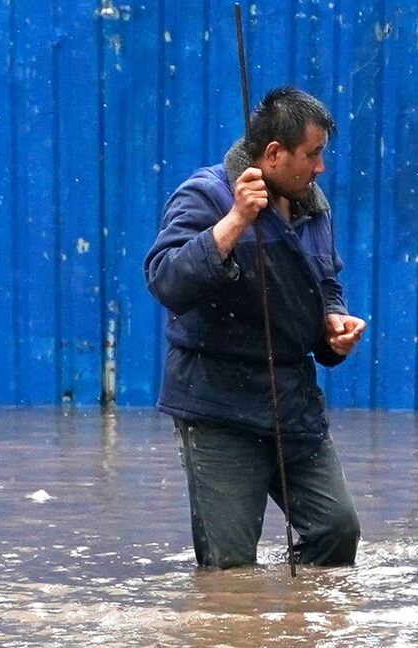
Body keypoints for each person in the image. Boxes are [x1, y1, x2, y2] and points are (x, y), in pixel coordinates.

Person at [145, 86, 365, 569]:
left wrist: (334, 326)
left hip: (292, 401)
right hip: (218, 405)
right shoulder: (206, 194)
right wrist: (237, 219)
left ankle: (297, 635)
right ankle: (241, 641)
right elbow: (166, 280)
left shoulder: (313, 205)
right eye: (313, 155)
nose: (320, 167)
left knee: (336, 530)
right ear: (273, 154)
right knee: (230, 570)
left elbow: (326, 281)